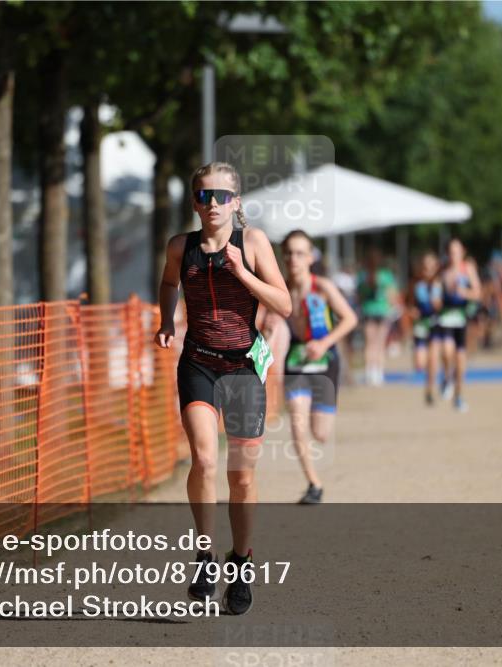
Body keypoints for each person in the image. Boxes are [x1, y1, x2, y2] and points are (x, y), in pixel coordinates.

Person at [154, 161, 291, 615]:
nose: (211, 204)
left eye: (220, 196)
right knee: (204, 459)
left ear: (236, 202)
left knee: (242, 476)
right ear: (194, 202)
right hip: (198, 362)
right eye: (202, 196)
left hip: (243, 369)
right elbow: (169, 282)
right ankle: (206, 556)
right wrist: (164, 320)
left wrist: (241, 272)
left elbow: (283, 304)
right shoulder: (180, 246)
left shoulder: (252, 243)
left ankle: (242, 561)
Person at [280, 230, 358, 504]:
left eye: (300, 253)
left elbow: (350, 319)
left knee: (321, 433)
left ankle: (315, 477)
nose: (294, 259)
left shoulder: (322, 287)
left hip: (324, 360)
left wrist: (325, 343)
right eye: (289, 252)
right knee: (297, 423)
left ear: (311, 257)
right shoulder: (280, 289)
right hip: (296, 358)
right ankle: (314, 484)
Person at [437, 239, 482, 412]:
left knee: (461, 361)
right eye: (450, 251)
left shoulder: (467, 269)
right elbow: (435, 291)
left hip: (462, 318)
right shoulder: (443, 271)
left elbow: (478, 293)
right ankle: (447, 378)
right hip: (446, 317)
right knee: (447, 352)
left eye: (456, 251)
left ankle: (459, 397)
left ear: (462, 252)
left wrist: (464, 292)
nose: (453, 255)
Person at [356, 248, 399, 386]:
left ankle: (370, 372)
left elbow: (359, 296)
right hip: (382, 311)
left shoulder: (362, 276)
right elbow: (392, 295)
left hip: (368, 311)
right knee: (380, 343)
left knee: (369, 343)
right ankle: (379, 373)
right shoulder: (386, 275)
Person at [407, 251, 443, 405]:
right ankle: (425, 369)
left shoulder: (440, 285)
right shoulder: (415, 284)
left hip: (435, 323)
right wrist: (412, 312)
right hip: (420, 325)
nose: (428, 269)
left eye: (431, 266)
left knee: (433, 359)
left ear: (436, 267)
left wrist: (440, 306)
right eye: (425, 266)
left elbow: (446, 305)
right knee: (420, 363)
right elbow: (408, 304)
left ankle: (429, 390)